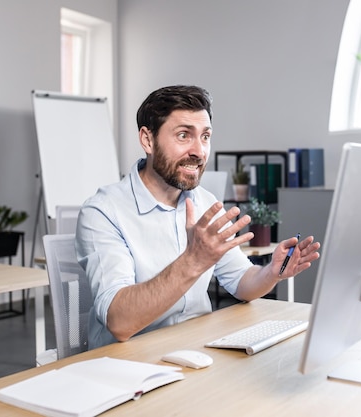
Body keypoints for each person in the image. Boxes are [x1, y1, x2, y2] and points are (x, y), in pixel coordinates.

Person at [75, 85, 320, 349]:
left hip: (196, 348)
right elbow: (119, 322)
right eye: (183, 135)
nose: (199, 151)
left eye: (205, 137)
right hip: (131, 363)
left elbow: (240, 281)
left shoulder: (205, 203)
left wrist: (271, 272)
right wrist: (194, 260)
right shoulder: (103, 212)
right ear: (147, 140)